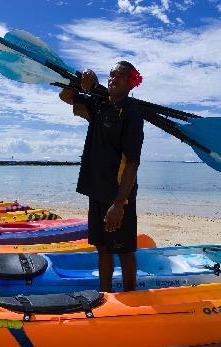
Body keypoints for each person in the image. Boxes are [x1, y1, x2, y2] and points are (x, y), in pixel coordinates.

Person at [59, 61, 144, 292]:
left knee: (124, 250)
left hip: (118, 195)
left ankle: (130, 296)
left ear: (130, 83)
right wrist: (81, 79)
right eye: (111, 75)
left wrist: (118, 203)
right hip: (96, 190)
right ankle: (105, 296)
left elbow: (132, 162)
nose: (113, 79)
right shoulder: (98, 104)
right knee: (102, 248)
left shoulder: (132, 113)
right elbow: (65, 96)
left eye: (119, 76)